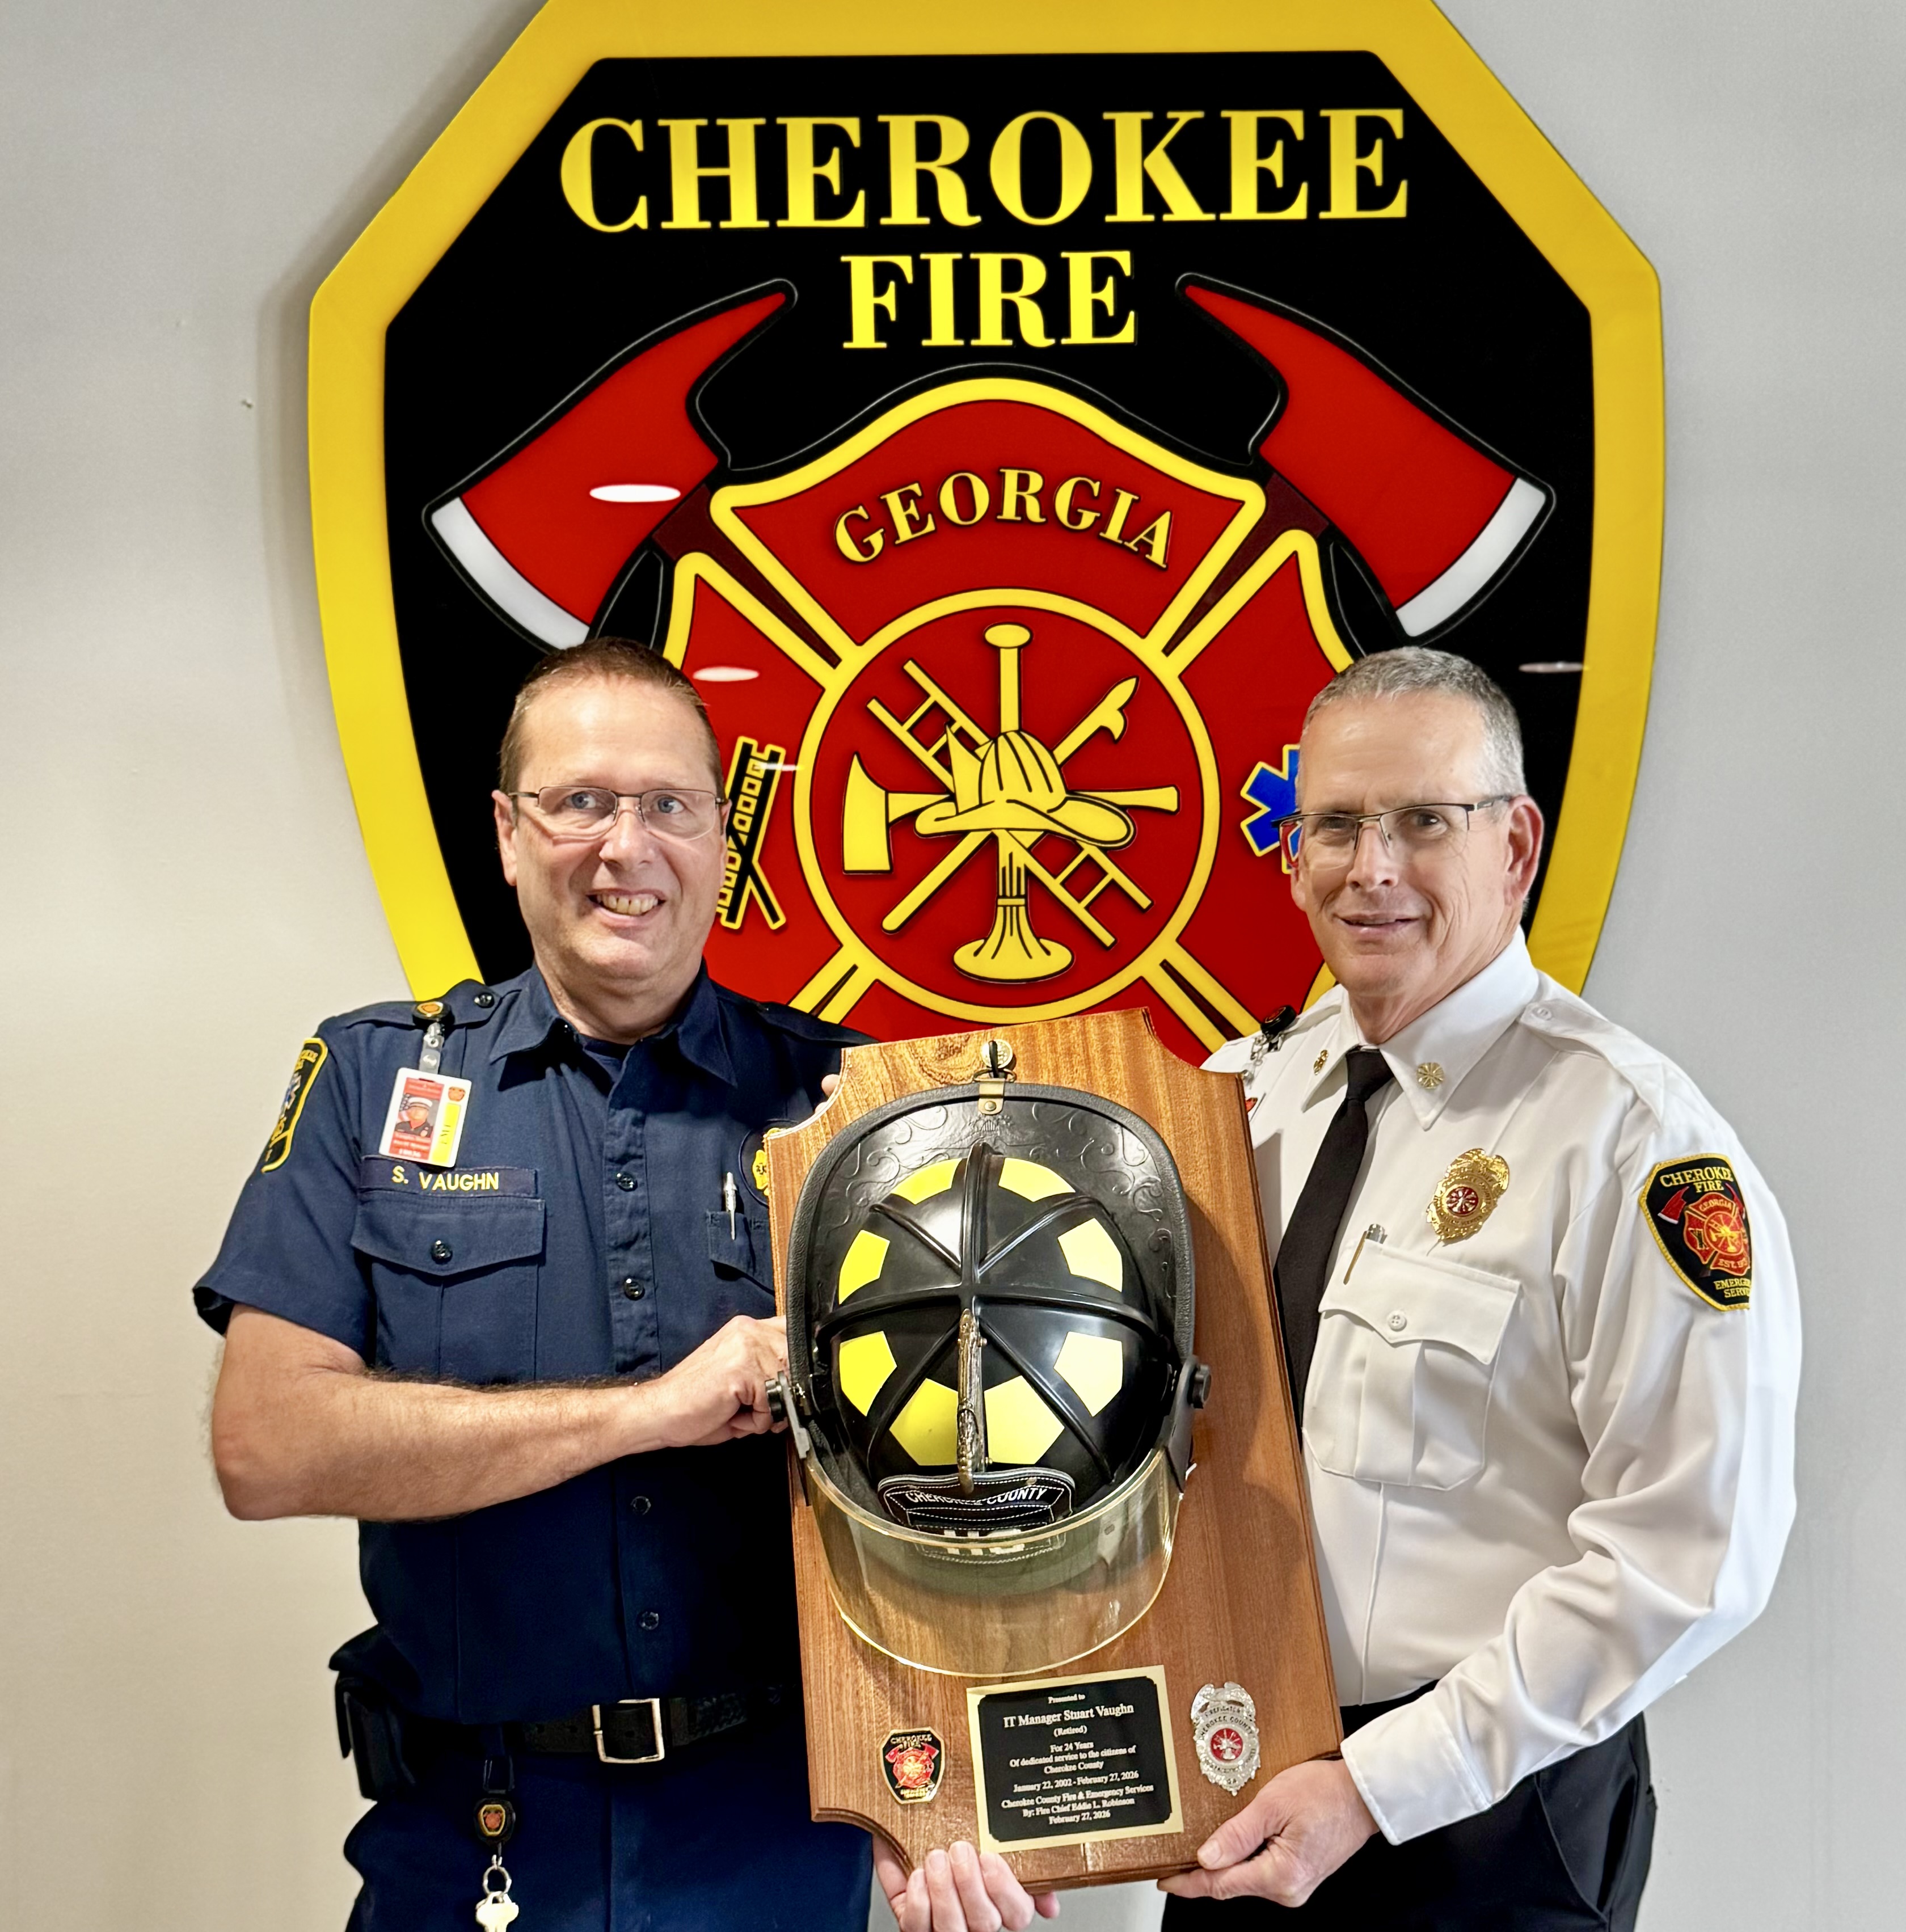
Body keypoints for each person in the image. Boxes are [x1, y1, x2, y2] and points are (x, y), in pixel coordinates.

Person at [200, 639, 1050, 1931]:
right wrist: (650, 1408)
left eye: (666, 804)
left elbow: (985, 1463)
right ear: (504, 832)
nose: (624, 847)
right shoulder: (372, 1083)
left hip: (776, 1832)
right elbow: (267, 1444)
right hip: (472, 1834)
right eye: (579, 800)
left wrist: (942, 1784)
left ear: (723, 836)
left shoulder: (860, 1108)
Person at [1161, 647, 1799, 1929]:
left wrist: (1377, 1779)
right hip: (1245, 1789)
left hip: (1482, 1820)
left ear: (1514, 844)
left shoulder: (1631, 1143)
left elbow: (1691, 1552)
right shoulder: (1244, 1096)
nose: (1371, 866)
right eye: (1334, 822)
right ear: (1290, 852)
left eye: (1420, 821)